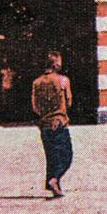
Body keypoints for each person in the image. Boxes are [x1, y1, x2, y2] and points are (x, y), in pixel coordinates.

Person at [30, 51, 73, 199]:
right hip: (59, 122)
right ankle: (54, 180)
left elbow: (35, 107)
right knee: (67, 156)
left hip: (44, 125)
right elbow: (69, 101)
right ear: (56, 63)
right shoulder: (63, 80)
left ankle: (54, 184)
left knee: (51, 156)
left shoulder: (36, 82)